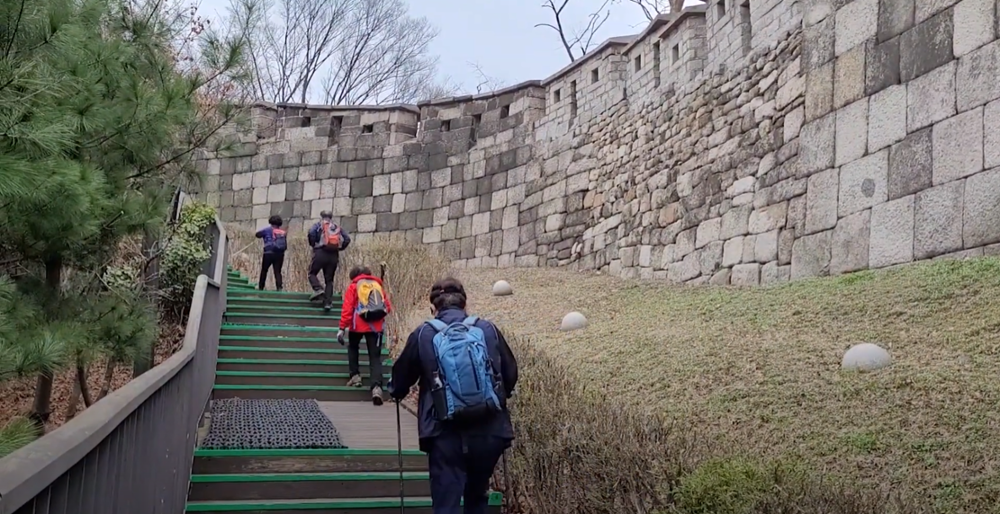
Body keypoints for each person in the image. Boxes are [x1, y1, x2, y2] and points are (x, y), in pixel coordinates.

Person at [388, 278, 518, 514]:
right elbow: (510, 374)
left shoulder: (423, 334)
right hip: (489, 430)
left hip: (444, 433)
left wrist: (395, 391)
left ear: (433, 308)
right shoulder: (487, 329)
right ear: (465, 303)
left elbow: (400, 381)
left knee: (446, 503)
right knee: (477, 495)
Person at [337, 266, 393, 405]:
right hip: (376, 327)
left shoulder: (354, 286)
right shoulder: (377, 285)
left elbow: (348, 308)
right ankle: (377, 388)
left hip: (357, 326)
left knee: (353, 347)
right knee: (375, 357)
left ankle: (355, 376)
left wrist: (342, 327)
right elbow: (387, 307)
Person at [306, 211, 351, 311]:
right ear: (331, 217)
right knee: (329, 280)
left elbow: (311, 233)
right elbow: (347, 239)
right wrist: (340, 248)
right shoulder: (336, 227)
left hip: (320, 252)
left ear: (322, 216)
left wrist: (314, 244)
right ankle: (328, 303)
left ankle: (318, 289)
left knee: (312, 273)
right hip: (333, 255)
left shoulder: (318, 225)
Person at [254, 215, 287, 291]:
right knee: (277, 271)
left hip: (268, 253)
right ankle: (279, 287)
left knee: (264, 270)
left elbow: (257, 234)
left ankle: (261, 287)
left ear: (271, 222)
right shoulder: (282, 232)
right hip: (280, 254)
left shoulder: (267, 230)